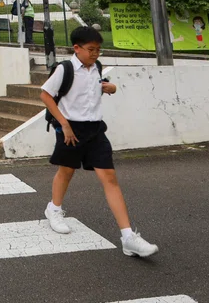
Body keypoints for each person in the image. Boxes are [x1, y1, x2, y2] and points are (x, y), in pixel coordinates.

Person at [41, 26, 159, 258]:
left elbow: (95, 88)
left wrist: (111, 88)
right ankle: (54, 209)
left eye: (98, 50)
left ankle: (128, 237)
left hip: (95, 129)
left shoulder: (96, 67)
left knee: (110, 178)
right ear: (76, 48)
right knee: (67, 171)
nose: (95, 54)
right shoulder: (65, 69)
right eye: (91, 49)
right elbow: (45, 94)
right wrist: (64, 124)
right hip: (71, 128)